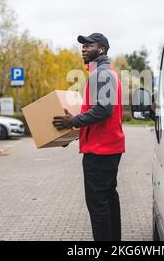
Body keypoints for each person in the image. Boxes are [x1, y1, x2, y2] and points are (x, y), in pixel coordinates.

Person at [52, 33, 125, 241]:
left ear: (101, 49)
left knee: (98, 205)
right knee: (109, 200)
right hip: (107, 147)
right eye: (82, 46)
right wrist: (73, 132)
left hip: (100, 152)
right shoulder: (105, 72)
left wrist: (73, 121)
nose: (83, 49)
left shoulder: (101, 74)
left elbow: (103, 110)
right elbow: (99, 115)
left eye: (88, 45)